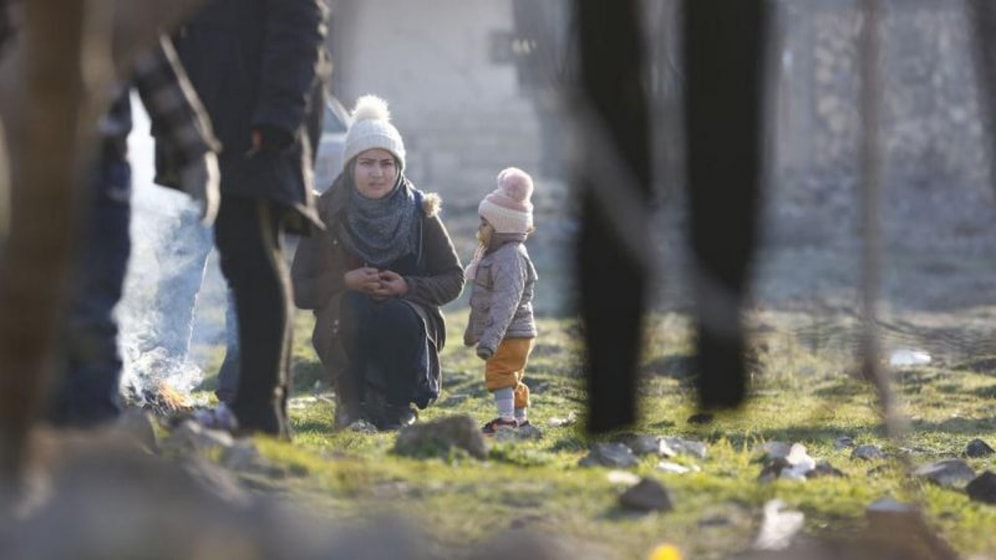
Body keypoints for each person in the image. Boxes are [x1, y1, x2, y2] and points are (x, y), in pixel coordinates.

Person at [159, 0, 328, 438]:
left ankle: (259, 411)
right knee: (247, 261)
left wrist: (276, 116)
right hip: (225, 122)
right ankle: (263, 410)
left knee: (253, 262)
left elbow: (300, 26)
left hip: (252, 127)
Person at [49, 36, 221, 428]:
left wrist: (195, 152)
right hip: (17, 165)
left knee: (91, 313)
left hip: (99, 167)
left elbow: (151, 60)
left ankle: (92, 440)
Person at [291, 95, 464, 431]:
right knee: (352, 305)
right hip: (343, 324)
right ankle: (351, 406)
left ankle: (399, 406)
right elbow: (298, 289)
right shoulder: (326, 213)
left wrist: (407, 286)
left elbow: (454, 279)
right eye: (367, 163)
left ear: (399, 168)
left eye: (387, 164)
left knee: (397, 313)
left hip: (408, 325)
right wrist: (345, 281)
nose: (378, 173)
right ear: (350, 166)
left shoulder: (420, 211)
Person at [463, 167, 539, 434]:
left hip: (509, 333)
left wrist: (490, 340)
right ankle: (521, 420)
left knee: (500, 374)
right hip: (515, 332)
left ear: (503, 228)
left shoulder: (509, 259)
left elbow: (505, 303)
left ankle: (506, 420)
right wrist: (473, 333)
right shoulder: (500, 255)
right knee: (513, 377)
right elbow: (483, 300)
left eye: (485, 224)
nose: (479, 229)